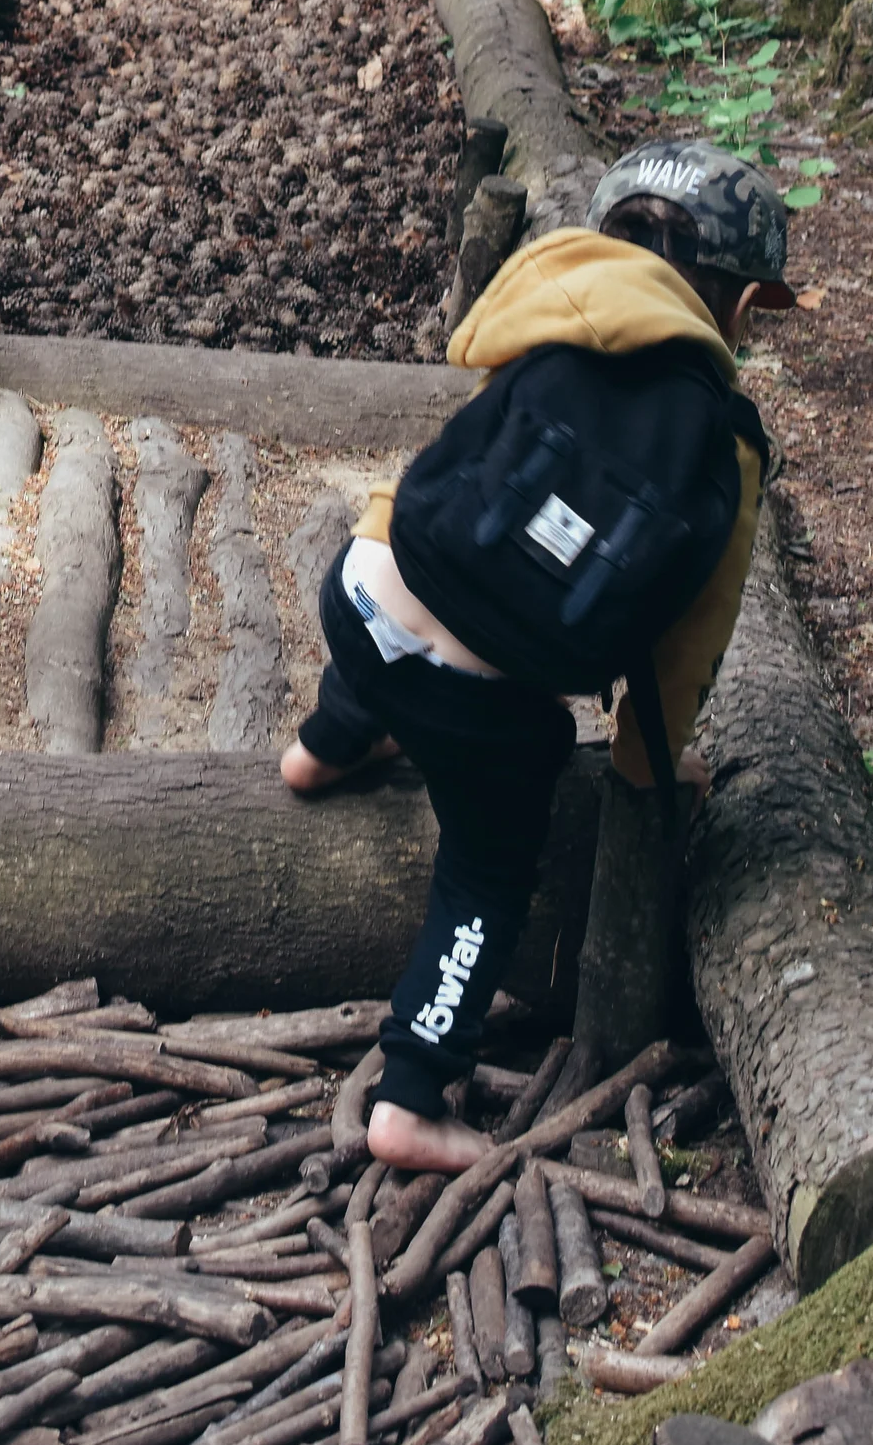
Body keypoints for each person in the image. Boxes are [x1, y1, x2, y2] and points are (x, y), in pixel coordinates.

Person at [281, 140, 795, 1175]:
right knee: (485, 869)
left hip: (360, 599)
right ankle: (411, 1093)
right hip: (476, 704)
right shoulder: (723, 439)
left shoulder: (554, 310)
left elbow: (444, 473)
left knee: (421, 596)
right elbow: (686, 644)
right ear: (741, 306)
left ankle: (325, 744)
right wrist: (649, 768)